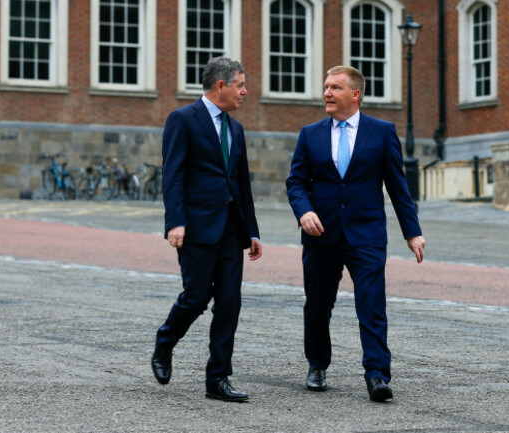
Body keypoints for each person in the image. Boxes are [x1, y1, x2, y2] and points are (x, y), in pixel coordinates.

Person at [286, 65, 425, 402]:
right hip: (321, 235)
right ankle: (317, 364)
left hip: (366, 235)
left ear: (355, 94)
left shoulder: (382, 132)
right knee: (318, 306)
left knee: (372, 305)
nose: (327, 94)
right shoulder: (310, 133)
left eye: (335, 88)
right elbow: (296, 182)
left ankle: (377, 374)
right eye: (325, 88)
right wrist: (304, 211)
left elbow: (397, 186)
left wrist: (413, 232)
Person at [151, 57, 262, 403]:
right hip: (197, 227)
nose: (244, 91)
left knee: (229, 302)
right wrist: (175, 222)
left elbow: (242, 184)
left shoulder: (236, 128)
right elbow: (174, 175)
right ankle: (165, 343)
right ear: (221, 86)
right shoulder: (183, 120)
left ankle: (218, 377)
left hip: (231, 229)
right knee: (196, 297)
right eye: (240, 85)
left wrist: (252, 232)